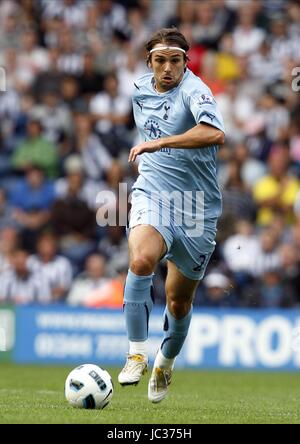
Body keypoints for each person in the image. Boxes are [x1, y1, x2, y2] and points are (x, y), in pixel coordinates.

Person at [118, 28, 225, 403]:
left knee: (178, 301)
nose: (168, 68)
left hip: (197, 208)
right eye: (160, 60)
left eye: (175, 61)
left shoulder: (196, 91)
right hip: (153, 195)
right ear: (149, 62)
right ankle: (136, 353)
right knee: (142, 258)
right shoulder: (139, 89)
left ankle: (165, 361)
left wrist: (160, 142)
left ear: (186, 62)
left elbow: (213, 133)